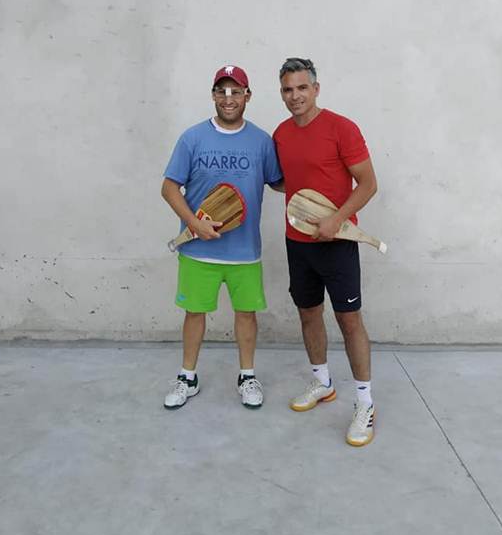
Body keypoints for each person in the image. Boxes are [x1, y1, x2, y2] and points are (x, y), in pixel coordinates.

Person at [161, 64, 283, 410]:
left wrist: (320, 177)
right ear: (214, 95)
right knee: (194, 314)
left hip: (245, 252)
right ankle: (188, 377)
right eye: (221, 91)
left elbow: (279, 181)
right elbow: (169, 188)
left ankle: (247, 376)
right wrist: (194, 223)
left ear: (247, 96)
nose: (228, 99)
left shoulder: (261, 141)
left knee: (246, 314)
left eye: (235, 91)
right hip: (198, 251)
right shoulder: (193, 138)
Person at [273, 58, 379, 447]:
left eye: (302, 87)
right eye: (288, 89)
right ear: (282, 93)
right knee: (308, 313)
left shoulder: (342, 128)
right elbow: (285, 180)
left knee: (349, 321)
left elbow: (368, 184)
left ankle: (365, 403)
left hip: (338, 245)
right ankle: (323, 383)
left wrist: (336, 218)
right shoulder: (281, 134)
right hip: (297, 243)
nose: (295, 96)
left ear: (316, 89)